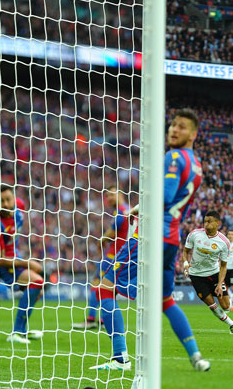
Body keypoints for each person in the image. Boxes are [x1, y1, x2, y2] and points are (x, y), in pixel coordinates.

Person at [90, 109, 211, 371]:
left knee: (104, 289)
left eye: (181, 127)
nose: (174, 130)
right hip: (171, 238)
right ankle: (196, 355)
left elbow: (165, 197)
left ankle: (120, 357)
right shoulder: (197, 165)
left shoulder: (174, 157)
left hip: (149, 235)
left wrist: (142, 205)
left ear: (193, 133)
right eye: (172, 125)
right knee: (165, 300)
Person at [0, 184, 45, 344]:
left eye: (8, 199)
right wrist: (29, 263)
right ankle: (16, 332)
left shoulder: (20, 206)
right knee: (37, 282)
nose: (5, 204)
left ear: (14, 198)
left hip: (13, 255)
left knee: (37, 291)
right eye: (0, 201)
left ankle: (22, 331)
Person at [73, 186, 130, 330]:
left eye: (112, 194)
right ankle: (104, 319)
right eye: (107, 196)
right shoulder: (129, 209)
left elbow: (115, 229)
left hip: (113, 254)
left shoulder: (121, 211)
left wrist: (102, 239)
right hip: (123, 254)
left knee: (96, 284)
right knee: (108, 287)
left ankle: (91, 319)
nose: (109, 198)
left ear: (120, 193)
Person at [182, 211, 233, 334]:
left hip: (214, 273)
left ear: (218, 223)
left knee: (226, 305)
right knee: (211, 304)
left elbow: (223, 265)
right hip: (196, 275)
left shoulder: (224, 242)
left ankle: (227, 310)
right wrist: (186, 264)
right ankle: (231, 324)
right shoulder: (194, 234)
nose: (206, 224)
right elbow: (185, 251)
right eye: (205, 221)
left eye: (209, 221)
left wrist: (219, 283)